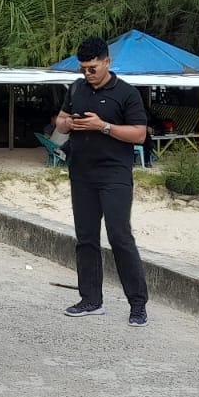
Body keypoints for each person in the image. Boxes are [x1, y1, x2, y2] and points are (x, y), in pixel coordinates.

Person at [54, 36, 150, 325]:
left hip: (114, 174)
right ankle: (91, 300)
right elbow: (59, 121)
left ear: (107, 62)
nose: (88, 73)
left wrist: (103, 126)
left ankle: (138, 304)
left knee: (119, 236)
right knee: (86, 238)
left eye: (93, 68)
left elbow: (139, 134)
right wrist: (68, 123)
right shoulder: (76, 88)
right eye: (83, 68)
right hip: (81, 173)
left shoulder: (127, 93)